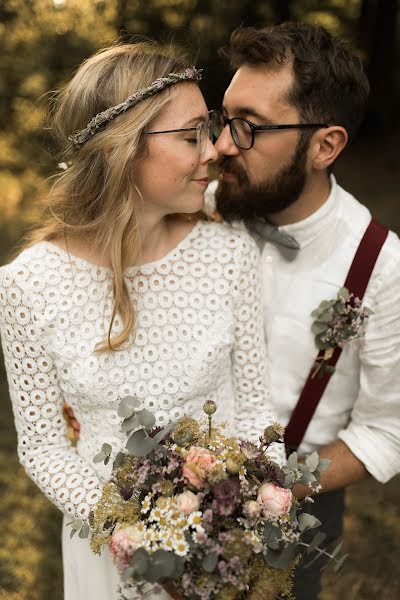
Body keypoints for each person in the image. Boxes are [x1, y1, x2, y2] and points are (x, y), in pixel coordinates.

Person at [0, 42, 285, 600]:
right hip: (112, 554)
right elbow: (43, 448)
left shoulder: (229, 253)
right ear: (118, 150)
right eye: (190, 136)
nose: (213, 152)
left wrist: (254, 514)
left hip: (224, 548)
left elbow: (254, 407)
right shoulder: (26, 286)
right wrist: (134, 537)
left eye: (209, 131)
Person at [207, 22, 400, 600]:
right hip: (161, 495)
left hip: (292, 513)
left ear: (325, 146)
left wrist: (275, 489)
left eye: (249, 128)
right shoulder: (201, 209)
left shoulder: (381, 267)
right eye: (224, 120)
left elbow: (387, 430)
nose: (221, 146)